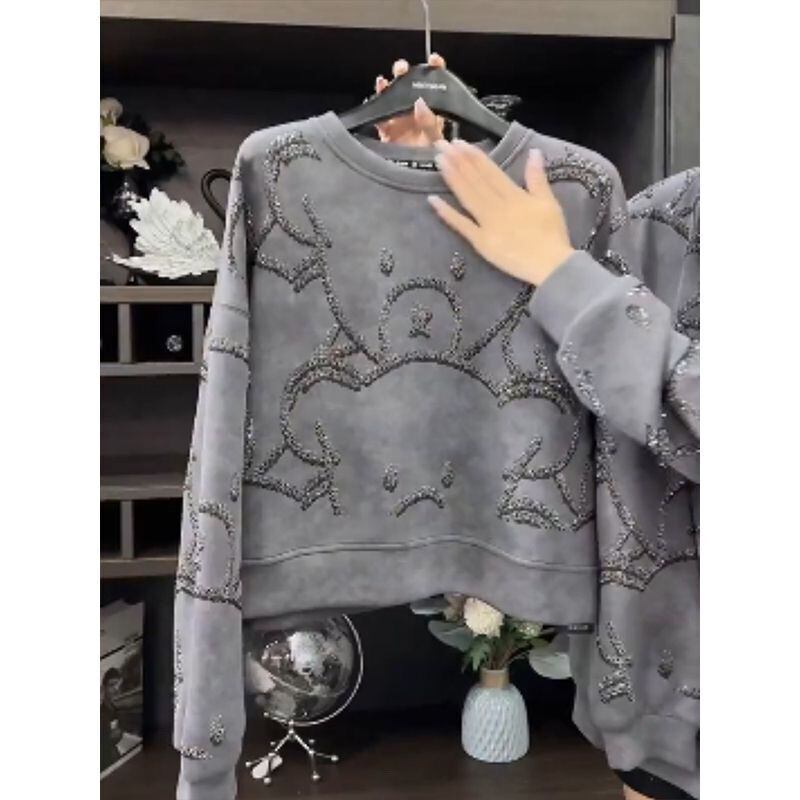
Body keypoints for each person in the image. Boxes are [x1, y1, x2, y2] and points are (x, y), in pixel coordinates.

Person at [369, 54, 700, 800]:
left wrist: (559, 271)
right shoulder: (660, 214)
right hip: (653, 702)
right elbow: (533, 362)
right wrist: (432, 193)